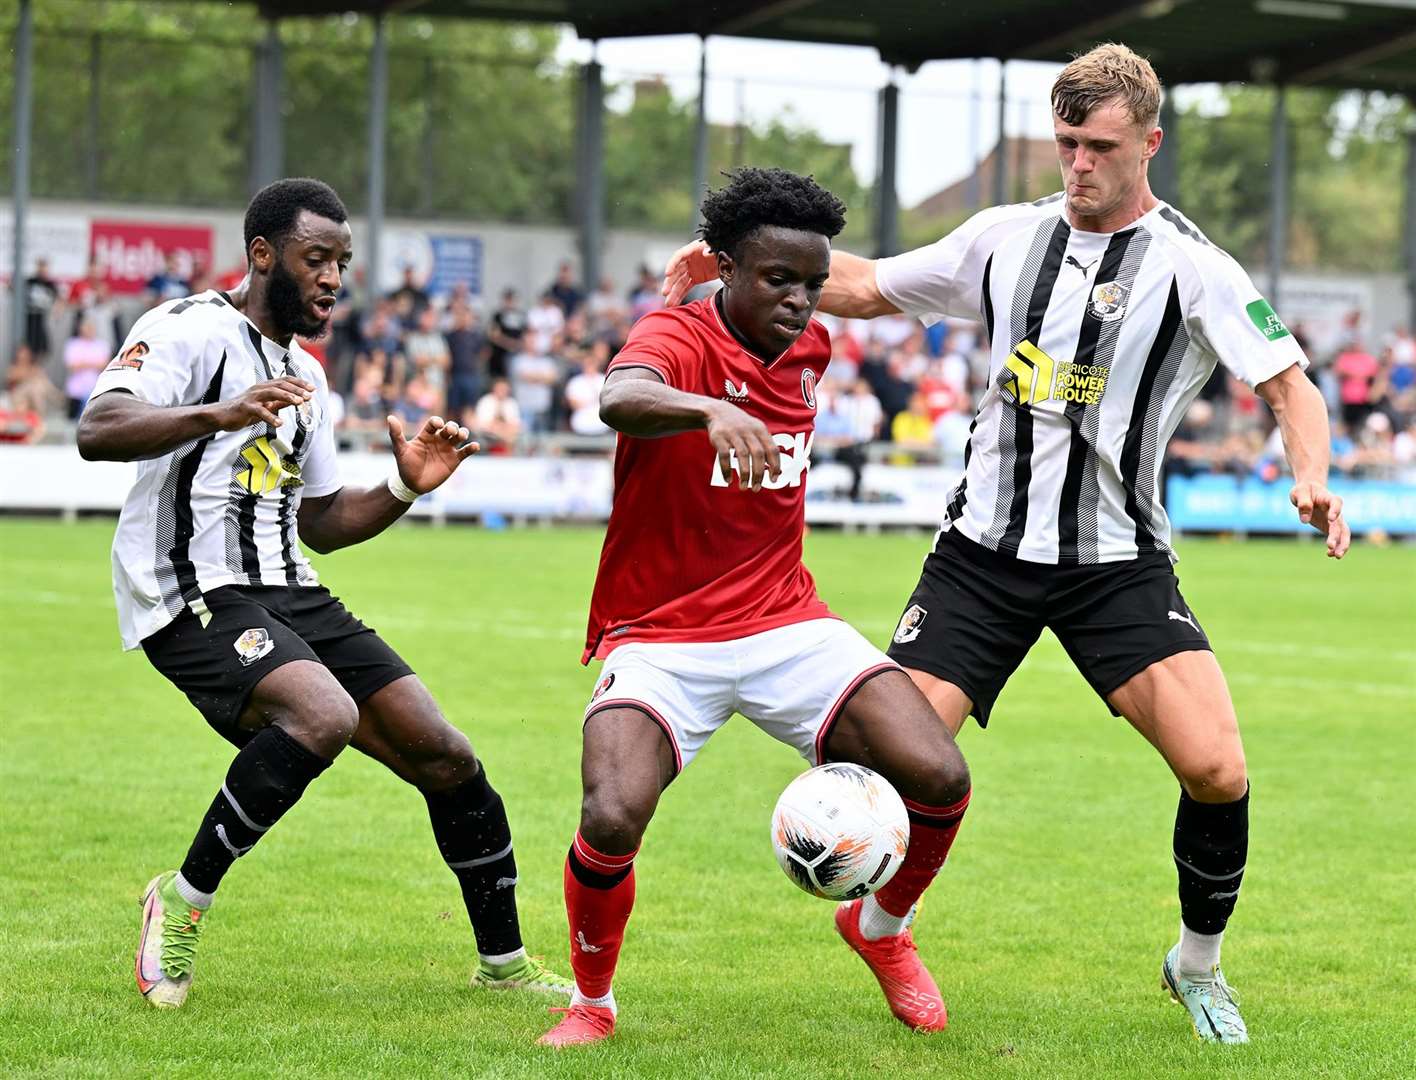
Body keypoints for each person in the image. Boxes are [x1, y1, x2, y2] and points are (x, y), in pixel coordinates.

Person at [664, 45, 1350, 1046]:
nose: (1079, 164)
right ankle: (883, 923)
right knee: (900, 763)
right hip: (980, 558)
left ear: (1149, 145)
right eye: (1067, 142)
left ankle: (1196, 967)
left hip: (1116, 565)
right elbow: (863, 287)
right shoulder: (1003, 239)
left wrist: (1313, 474)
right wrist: (730, 266)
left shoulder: (1193, 268)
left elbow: (1290, 383)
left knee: (1217, 770)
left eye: (1101, 147)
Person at [75, 178, 569, 1010]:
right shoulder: (187, 329)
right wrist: (216, 414)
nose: (334, 277)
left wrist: (405, 488)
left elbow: (324, 523)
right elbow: (100, 428)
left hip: (289, 589)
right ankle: (182, 902)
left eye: (342, 262)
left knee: (445, 753)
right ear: (262, 254)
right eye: (317, 259)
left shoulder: (307, 375)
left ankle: (503, 965)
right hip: (191, 585)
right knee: (323, 715)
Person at [538, 167, 972, 1049]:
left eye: (811, 285)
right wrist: (702, 410)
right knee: (612, 813)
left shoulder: (809, 350)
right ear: (729, 270)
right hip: (662, 632)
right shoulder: (676, 333)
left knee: (940, 774)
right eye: (778, 279)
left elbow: (847, 294)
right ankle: (592, 1003)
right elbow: (617, 395)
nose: (800, 302)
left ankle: (880, 930)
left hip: (785, 619)